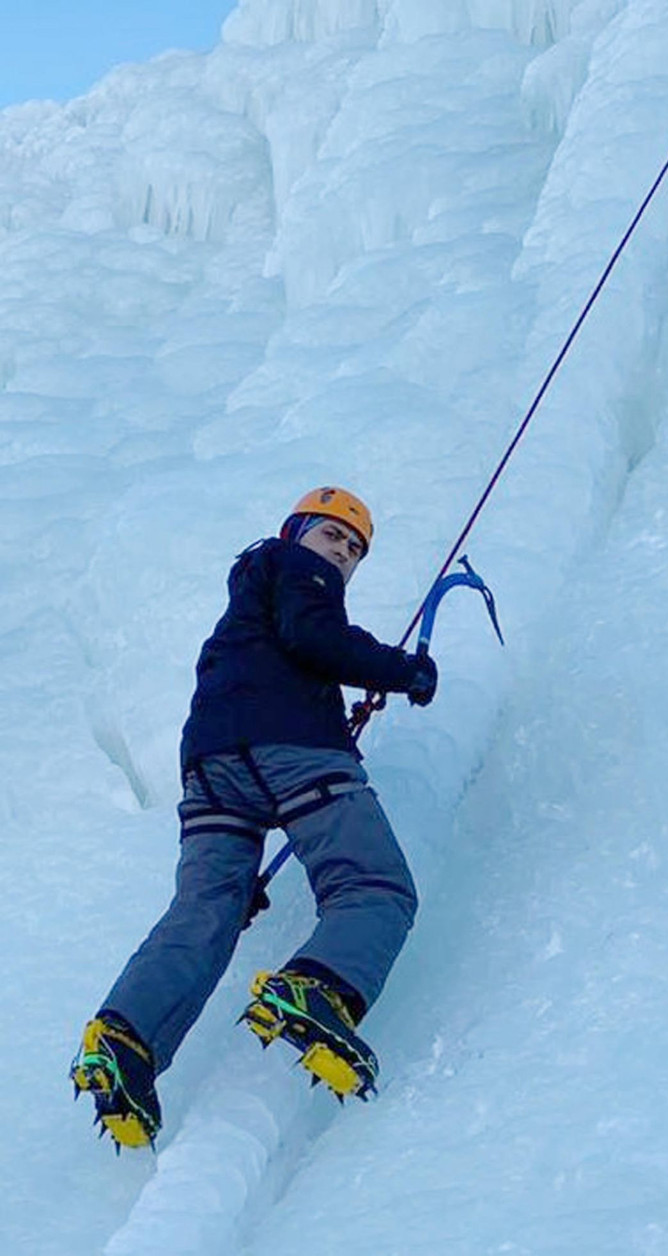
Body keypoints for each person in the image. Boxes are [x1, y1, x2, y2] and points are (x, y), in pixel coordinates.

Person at [70, 486, 437, 1150]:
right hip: (289, 752)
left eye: (354, 550)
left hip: (212, 766)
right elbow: (316, 637)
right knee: (375, 886)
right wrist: (401, 671)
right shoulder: (297, 569)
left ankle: (124, 1038)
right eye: (332, 536)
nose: (343, 555)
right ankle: (318, 988)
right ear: (296, 532)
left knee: (207, 910)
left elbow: (279, 661)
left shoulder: (247, 604)